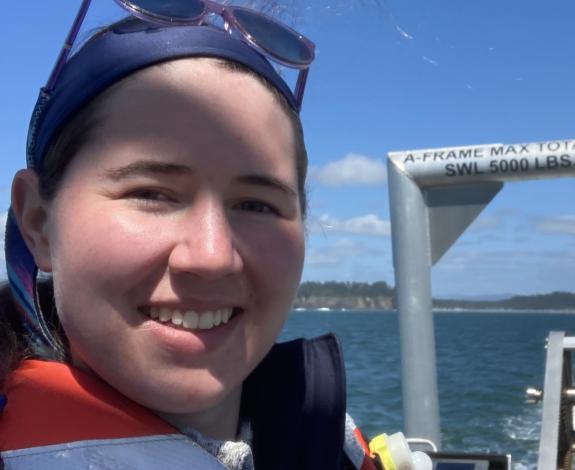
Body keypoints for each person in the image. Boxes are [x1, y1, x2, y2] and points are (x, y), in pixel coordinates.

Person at [0, 1, 378, 469]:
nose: (213, 255)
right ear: (38, 222)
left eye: (257, 204)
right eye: (153, 194)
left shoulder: (326, 443)